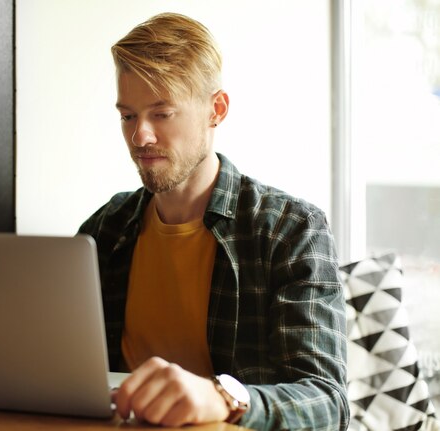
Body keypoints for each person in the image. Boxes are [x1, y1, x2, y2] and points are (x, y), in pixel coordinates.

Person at [79, 12, 349, 430]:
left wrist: (223, 396)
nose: (140, 137)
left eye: (161, 113)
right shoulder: (104, 231)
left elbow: (327, 403)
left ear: (216, 110)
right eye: (128, 116)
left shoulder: (291, 230)